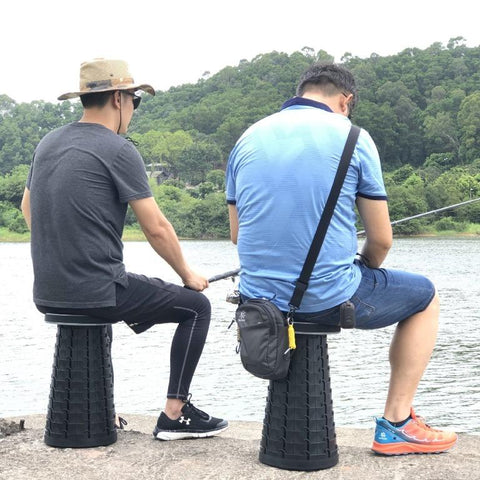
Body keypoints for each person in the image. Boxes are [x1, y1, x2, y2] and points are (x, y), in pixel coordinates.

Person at [225, 62, 457, 455]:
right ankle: (398, 423)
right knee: (425, 296)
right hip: (327, 298)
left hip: (256, 301)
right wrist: (362, 266)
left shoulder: (247, 138)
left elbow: (237, 235)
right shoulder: (353, 137)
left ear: (301, 91)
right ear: (345, 101)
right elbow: (381, 240)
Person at [21, 58, 227, 441]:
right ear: (119, 98)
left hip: (47, 293)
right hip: (97, 292)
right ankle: (175, 414)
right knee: (196, 307)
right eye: (135, 100)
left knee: (107, 295)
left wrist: (61, 252)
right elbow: (156, 228)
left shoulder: (48, 142)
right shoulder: (118, 149)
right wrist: (188, 275)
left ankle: (102, 405)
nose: (133, 108)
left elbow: (27, 207)